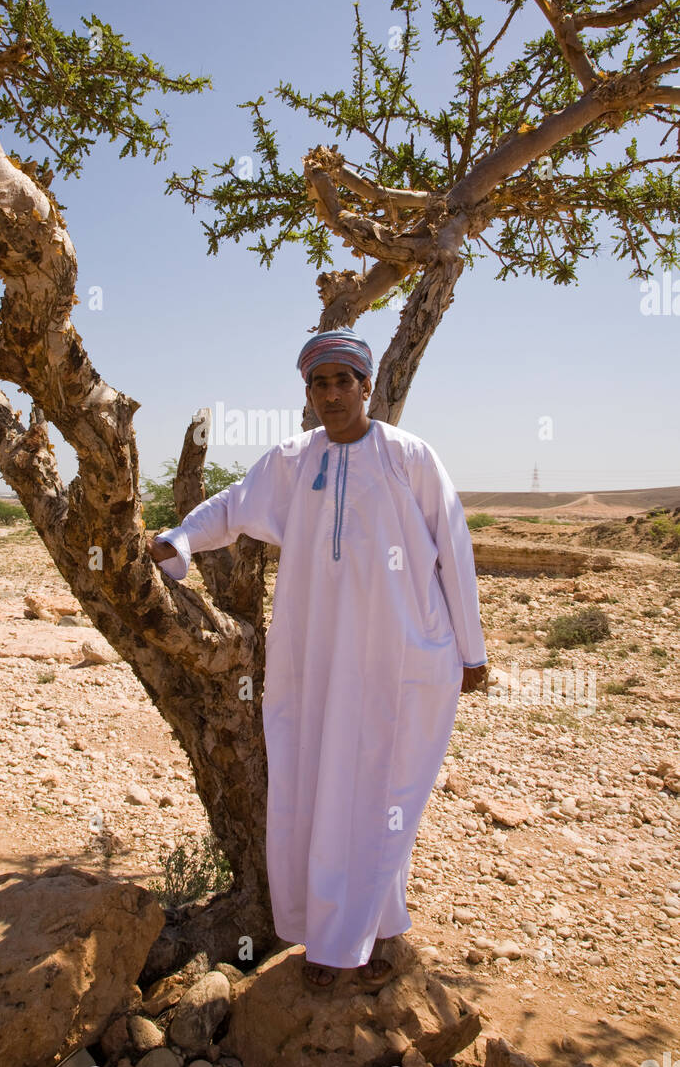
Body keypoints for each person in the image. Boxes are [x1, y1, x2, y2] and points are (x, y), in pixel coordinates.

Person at [148, 326, 488, 990]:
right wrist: (179, 537)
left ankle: (343, 947)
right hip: (313, 663)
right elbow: (232, 507)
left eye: (343, 380)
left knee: (383, 793)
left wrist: (471, 651)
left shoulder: (409, 457)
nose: (332, 393)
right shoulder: (293, 461)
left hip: (398, 660)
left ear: (367, 386)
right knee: (318, 793)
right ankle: (355, 934)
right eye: (318, 382)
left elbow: (454, 548)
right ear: (306, 391)